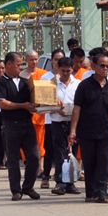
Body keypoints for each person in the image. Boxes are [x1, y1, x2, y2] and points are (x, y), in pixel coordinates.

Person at [69, 52, 108, 203]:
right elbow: (77, 108)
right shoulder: (84, 86)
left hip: (106, 131)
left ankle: (101, 192)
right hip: (87, 131)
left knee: (104, 161)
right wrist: (73, 130)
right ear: (94, 66)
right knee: (90, 162)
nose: (105, 69)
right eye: (102, 66)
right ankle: (90, 192)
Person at [0, 52, 41, 201]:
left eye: (21, 64)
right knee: (13, 159)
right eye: (18, 64)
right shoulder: (1, 83)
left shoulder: (25, 82)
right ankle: (16, 190)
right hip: (10, 125)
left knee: (34, 157)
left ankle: (28, 186)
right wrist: (23, 106)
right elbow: (2, 103)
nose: (20, 67)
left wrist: (42, 105)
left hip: (27, 124)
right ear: (8, 64)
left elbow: (34, 100)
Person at [48, 57, 81, 195]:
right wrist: (56, 108)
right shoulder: (50, 84)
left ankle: (71, 183)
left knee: (72, 152)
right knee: (60, 153)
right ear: (58, 69)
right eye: (63, 71)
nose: (66, 73)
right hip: (57, 121)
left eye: (69, 71)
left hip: (74, 121)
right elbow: (44, 104)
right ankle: (60, 182)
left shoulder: (78, 84)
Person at [20, 50, 48, 184]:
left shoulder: (43, 75)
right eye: (31, 59)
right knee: (26, 144)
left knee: (40, 142)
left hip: (40, 114)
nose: (34, 62)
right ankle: (29, 165)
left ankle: (41, 167)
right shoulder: (22, 75)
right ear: (26, 60)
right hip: (26, 114)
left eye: (36, 59)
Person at [40, 48, 66, 187]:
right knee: (49, 148)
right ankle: (45, 175)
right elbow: (43, 99)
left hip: (65, 119)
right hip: (50, 119)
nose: (58, 62)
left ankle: (61, 177)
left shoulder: (68, 77)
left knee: (62, 151)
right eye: (56, 59)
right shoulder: (46, 78)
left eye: (60, 59)